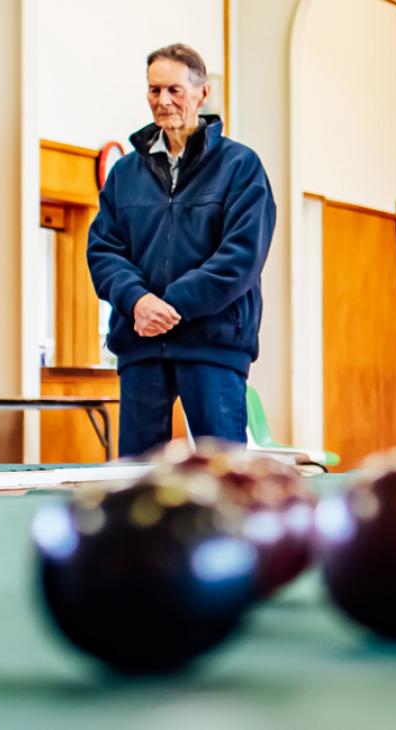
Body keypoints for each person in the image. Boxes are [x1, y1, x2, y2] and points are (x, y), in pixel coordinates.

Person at [87, 43, 275, 458]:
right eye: (154, 91)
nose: (163, 101)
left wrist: (168, 307)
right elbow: (103, 251)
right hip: (140, 345)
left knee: (224, 479)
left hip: (213, 342)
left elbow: (240, 257)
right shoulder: (124, 175)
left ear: (202, 93)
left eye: (174, 89)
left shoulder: (241, 168)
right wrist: (138, 302)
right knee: (136, 481)